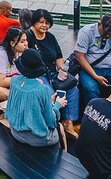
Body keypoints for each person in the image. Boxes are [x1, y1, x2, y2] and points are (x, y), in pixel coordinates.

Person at [26, 8, 81, 139]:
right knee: (48, 92)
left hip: (53, 73)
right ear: (34, 22)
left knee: (73, 89)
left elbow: (58, 57)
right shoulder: (28, 36)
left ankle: (69, 123)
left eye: (47, 23)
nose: (45, 25)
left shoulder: (50, 37)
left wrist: (62, 70)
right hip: (37, 74)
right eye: (41, 22)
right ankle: (52, 123)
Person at [4, 49, 67, 147]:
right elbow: (50, 121)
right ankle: (61, 158)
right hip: (37, 138)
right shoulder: (43, 89)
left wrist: (48, 100)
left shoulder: (14, 81)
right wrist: (57, 105)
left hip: (15, 131)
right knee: (60, 128)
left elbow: (28, 104)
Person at [75, 13, 111, 110]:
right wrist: (95, 77)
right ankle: (95, 114)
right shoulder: (86, 32)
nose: (108, 36)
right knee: (90, 88)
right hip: (90, 69)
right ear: (99, 24)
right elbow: (80, 56)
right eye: (106, 33)